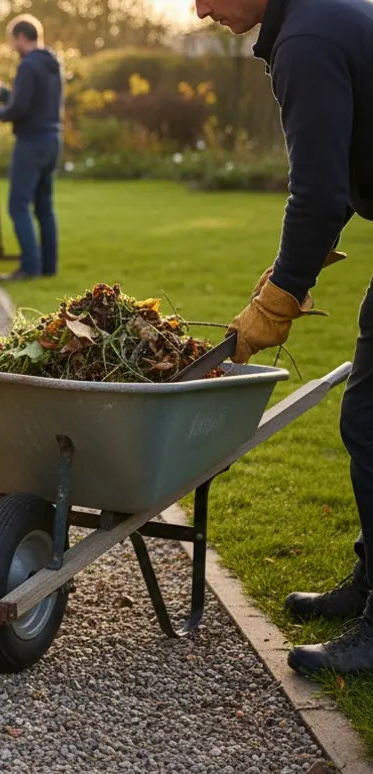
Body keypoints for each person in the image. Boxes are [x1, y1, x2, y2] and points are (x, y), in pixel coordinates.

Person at [198, 0, 373, 676]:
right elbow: (346, 168)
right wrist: (292, 273)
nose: (201, 9)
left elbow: (319, 192)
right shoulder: (320, 17)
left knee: (370, 421)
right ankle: (368, 580)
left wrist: (277, 299)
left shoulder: (307, 38)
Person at [0, 14, 64, 280]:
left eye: (12, 40)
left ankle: (30, 267)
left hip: (31, 142)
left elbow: (19, 109)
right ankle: (48, 267)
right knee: (44, 207)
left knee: (18, 205)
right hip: (52, 139)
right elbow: (32, 101)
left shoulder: (28, 66)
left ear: (21, 37)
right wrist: (3, 94)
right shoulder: (53, 63)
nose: (12, 46)